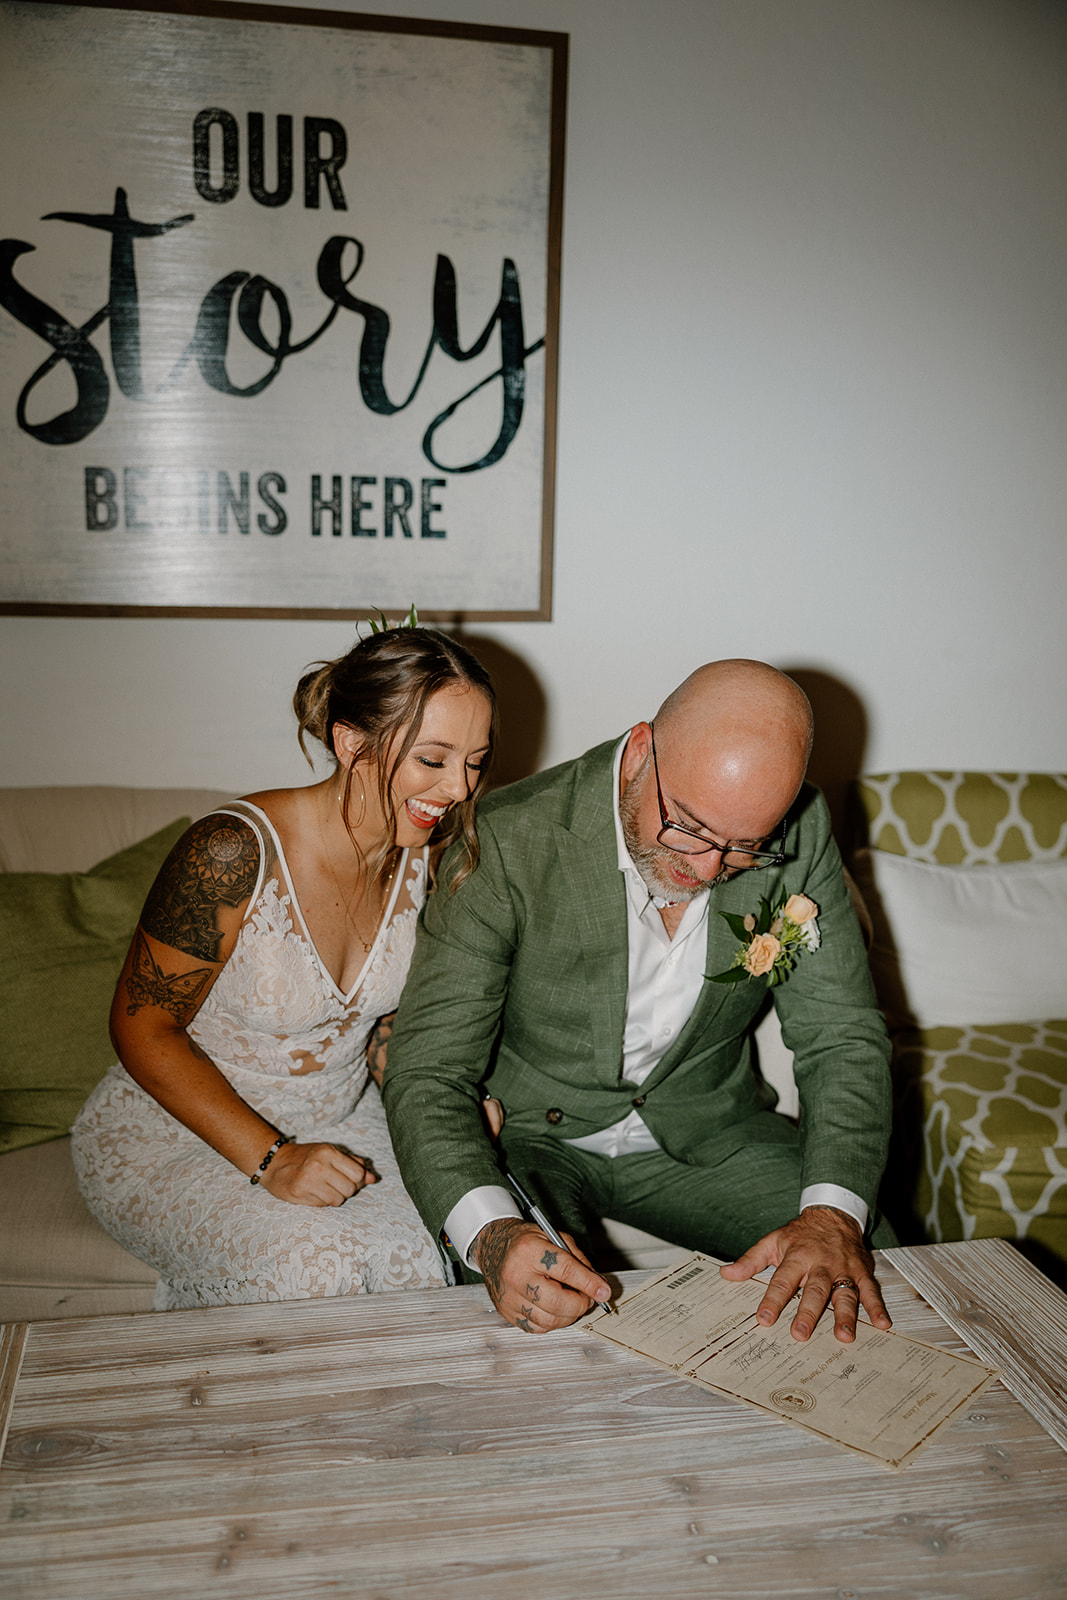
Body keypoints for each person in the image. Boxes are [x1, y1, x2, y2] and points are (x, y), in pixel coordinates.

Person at [383, 658, 895, 1344]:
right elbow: (428, 1070)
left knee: (872, 1270)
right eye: (688, 826)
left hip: (711, 1134)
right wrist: (492, 1233)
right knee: (521, 1318)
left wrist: (831, 1216)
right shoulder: (510, 836)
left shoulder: (798, 830)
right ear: (639, 753)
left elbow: (841, 1037)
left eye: (745, 848)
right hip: (534, 1137)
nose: (708, 868)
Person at [72, 625, 496, 1308]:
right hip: (179, 1130)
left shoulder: (432, 855)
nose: (457, 788)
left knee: (422, 1262)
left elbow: (386, 1027)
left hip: (343, 1119)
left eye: (474, 761)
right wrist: (272, 1157)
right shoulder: (229, 851)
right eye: (433, 759)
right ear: (351, 741)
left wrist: (443, 1102)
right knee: (310, 1271)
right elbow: (142, 1026)